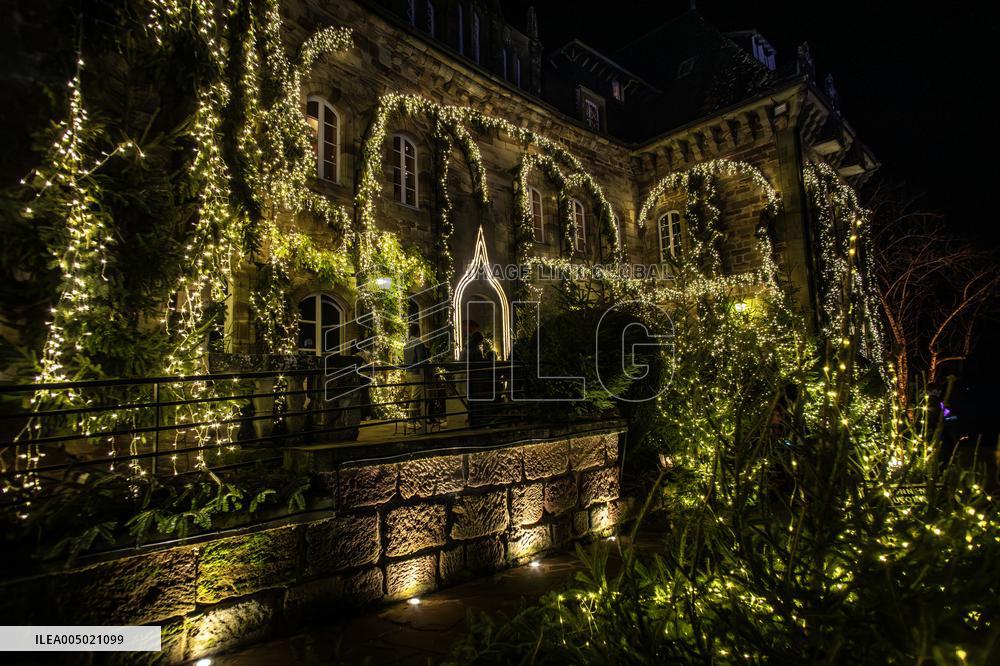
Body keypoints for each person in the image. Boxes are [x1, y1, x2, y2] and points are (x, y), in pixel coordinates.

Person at [403, 323, 430, 433]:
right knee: (416, 398)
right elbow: (422, 361)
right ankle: (411, 420)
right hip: (418, 373)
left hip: (408, 373)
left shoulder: (406, 345)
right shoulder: (418, 343)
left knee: (414, 396)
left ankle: (416, 419)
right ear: (418, 331)